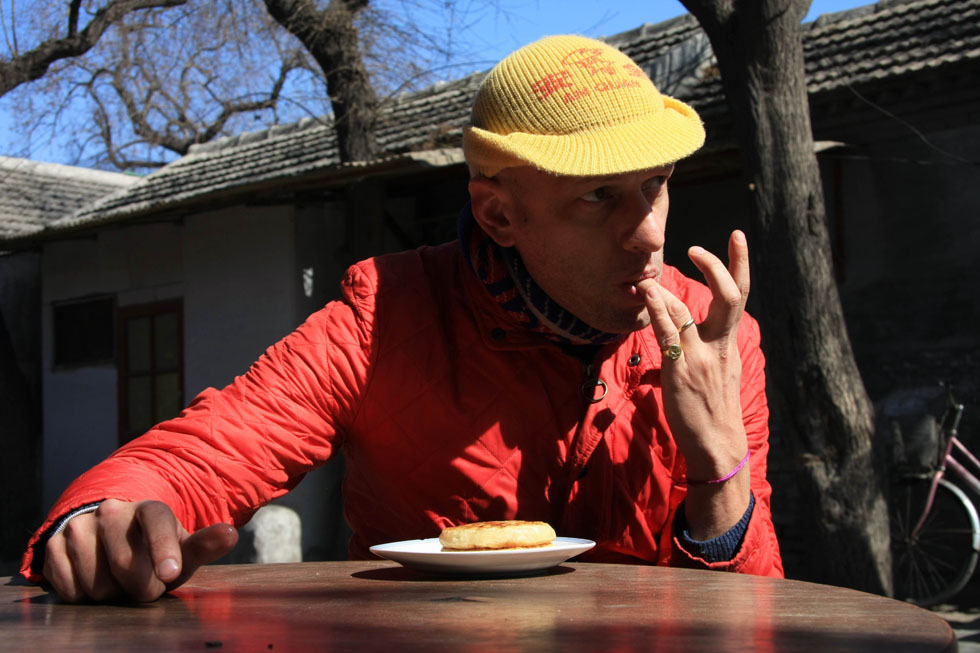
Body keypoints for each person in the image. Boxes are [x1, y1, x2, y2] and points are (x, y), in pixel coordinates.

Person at [22, 34, 783, 603]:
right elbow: (210, 447)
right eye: (598, 195)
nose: (648, 230)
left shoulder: (718, 337)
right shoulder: (385, 317)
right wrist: (104, 515)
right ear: (499, 214)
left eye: (656, 184)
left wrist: (719, 469)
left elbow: (758, 617)